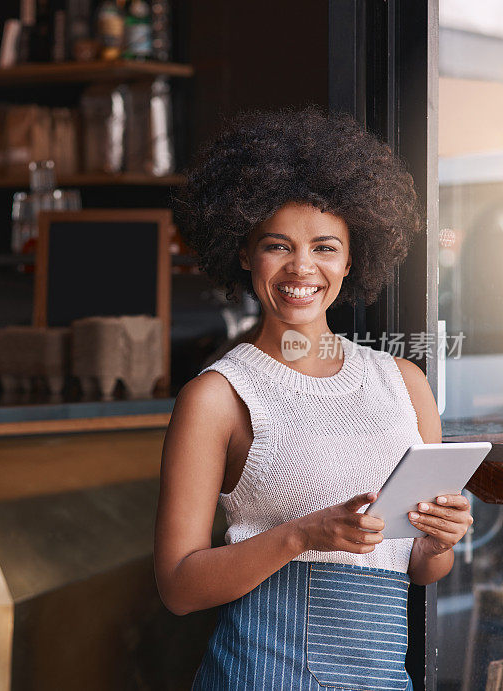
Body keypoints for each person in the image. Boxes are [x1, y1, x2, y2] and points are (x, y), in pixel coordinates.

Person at [154, 106, 473, 690]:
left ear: (352, 260)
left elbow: (426, 569)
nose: (302, 267)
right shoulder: (218, 396)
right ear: (245, 253)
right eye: (277, 245)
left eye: (325, 247)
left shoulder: (404, 381)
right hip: (259, 676)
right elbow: (178, 587)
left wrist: (439, 537)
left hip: (378, 677)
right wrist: (300, 535)